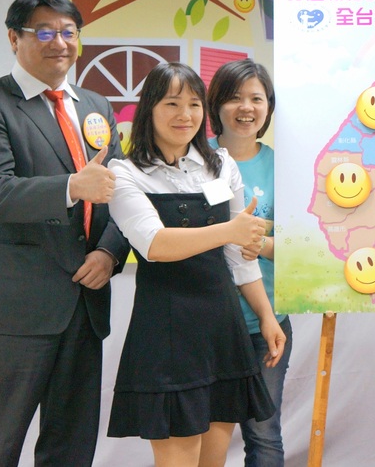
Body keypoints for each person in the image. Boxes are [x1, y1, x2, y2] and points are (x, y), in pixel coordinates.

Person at [0, 0, 130, 466]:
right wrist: (72, 185)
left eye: (69, 32)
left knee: (71, 448)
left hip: (84, 304)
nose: (60, 43)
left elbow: (122, 194)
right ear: (14, 39)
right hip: (13, 309)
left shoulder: (96, 106)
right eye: (44, 33)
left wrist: (110, 253)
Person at [105, 62, 286, 466]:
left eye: (193, 104)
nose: (184, 115)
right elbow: (155, 244)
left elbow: (239, 257)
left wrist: (266, 316)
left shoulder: (220, 164)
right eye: (172, 103)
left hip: (223, 328)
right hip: (167, 331)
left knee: (214, 461)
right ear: (149, 109)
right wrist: (230, 231)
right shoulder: (126, 173)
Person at [207, 59, 291, 466]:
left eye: (256, 99)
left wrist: (260, 243)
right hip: (206, 322)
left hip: (266, 320)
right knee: (204, 433)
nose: (246, 108)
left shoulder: (284, 165)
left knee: (264, 434)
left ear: (268, 107)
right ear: (216, 106)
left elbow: (308, 244)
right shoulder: (193, 157)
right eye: (235, 98)